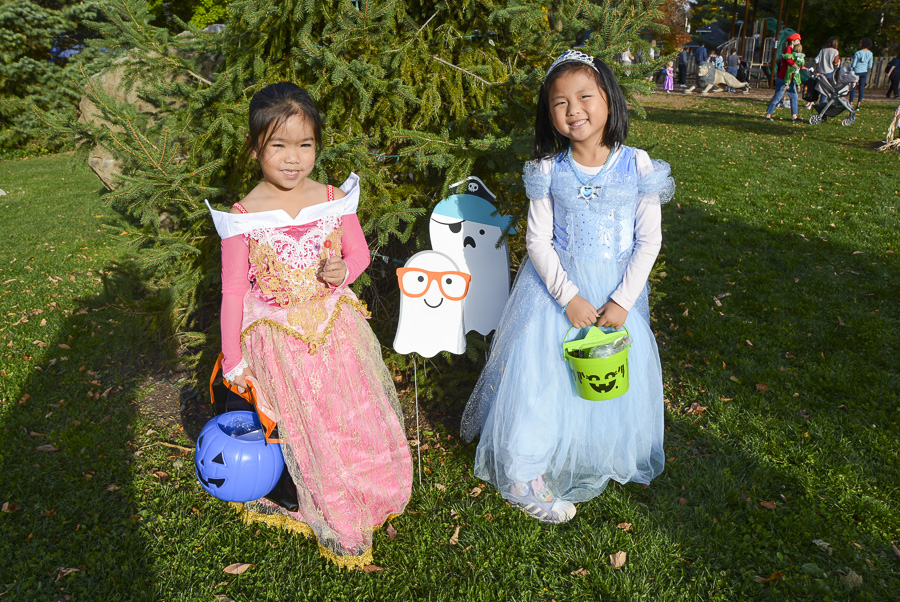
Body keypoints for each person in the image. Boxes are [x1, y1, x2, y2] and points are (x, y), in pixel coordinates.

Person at [460, 49, 674, 524]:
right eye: (560, 103)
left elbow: (649, 240)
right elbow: (537, 241)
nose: (573, 110)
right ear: (549, 113)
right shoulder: (548, 170)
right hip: (555, 295)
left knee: (602, 375)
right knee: (542, 380)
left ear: (609, 99)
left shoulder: (637, 165)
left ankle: (587, 452)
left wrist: (622, 300)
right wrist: (568, 297)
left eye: (584, 97)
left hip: (615, 293)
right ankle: (524, 474)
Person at [206, 82, 412, 569]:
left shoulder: (333, 198)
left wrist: (345, 270)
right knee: (307, 424)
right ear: (255, 147)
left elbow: (358, 254)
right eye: (278, 145)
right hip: (281, 342)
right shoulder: (241, 217)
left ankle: (370, 486)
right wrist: (232, 358)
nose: (293, 158)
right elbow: (233, 291)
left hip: (335, 330)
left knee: (351, 413)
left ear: (318, 144)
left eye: (305, 144)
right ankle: (326, 499)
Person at [764, 33, 804, 123]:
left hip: (790, 78)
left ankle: (794, 116)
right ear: (793, 41)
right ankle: (768, 114)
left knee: (794, 96)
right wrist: (796, 67)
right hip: (783, 78)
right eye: (798, 40)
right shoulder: (788, 49)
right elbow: (788, 60)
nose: (799, 42)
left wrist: (802, 67)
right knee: (778, 97)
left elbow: (797, 62)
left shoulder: (793, 51)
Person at [811, 36, 840, 107]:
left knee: (820, 88)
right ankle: (823, 103)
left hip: (821, 72)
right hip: (830, 72)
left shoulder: (822, 51)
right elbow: (835, 62)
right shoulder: (835, 51)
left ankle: (813, 101)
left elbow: (816, 60)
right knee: (828, 90)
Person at [849, 38, 874, 110]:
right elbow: (870, 66)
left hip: (856, 72)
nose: (859, 44)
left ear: (863, 44)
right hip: (864, 72)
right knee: (861, 88)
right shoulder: (870, 53)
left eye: (860, 43)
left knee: (853, 87)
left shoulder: (857, 53)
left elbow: (854, 64)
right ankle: (858, 105)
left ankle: (851, 103)